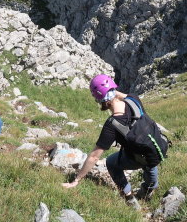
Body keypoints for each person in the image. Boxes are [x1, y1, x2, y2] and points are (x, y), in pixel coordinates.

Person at [62, 74, 159, 209]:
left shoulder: (112, 124)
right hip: (155, 147)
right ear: (114, 90)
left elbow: (95, 156)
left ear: (99, 99)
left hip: (138, 156)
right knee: (148, 155)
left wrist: (76, 180)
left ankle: (130, 200)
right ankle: (150, 187)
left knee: (111, 163)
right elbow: (122, 96)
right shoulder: (134, 99)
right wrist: (110, 90)